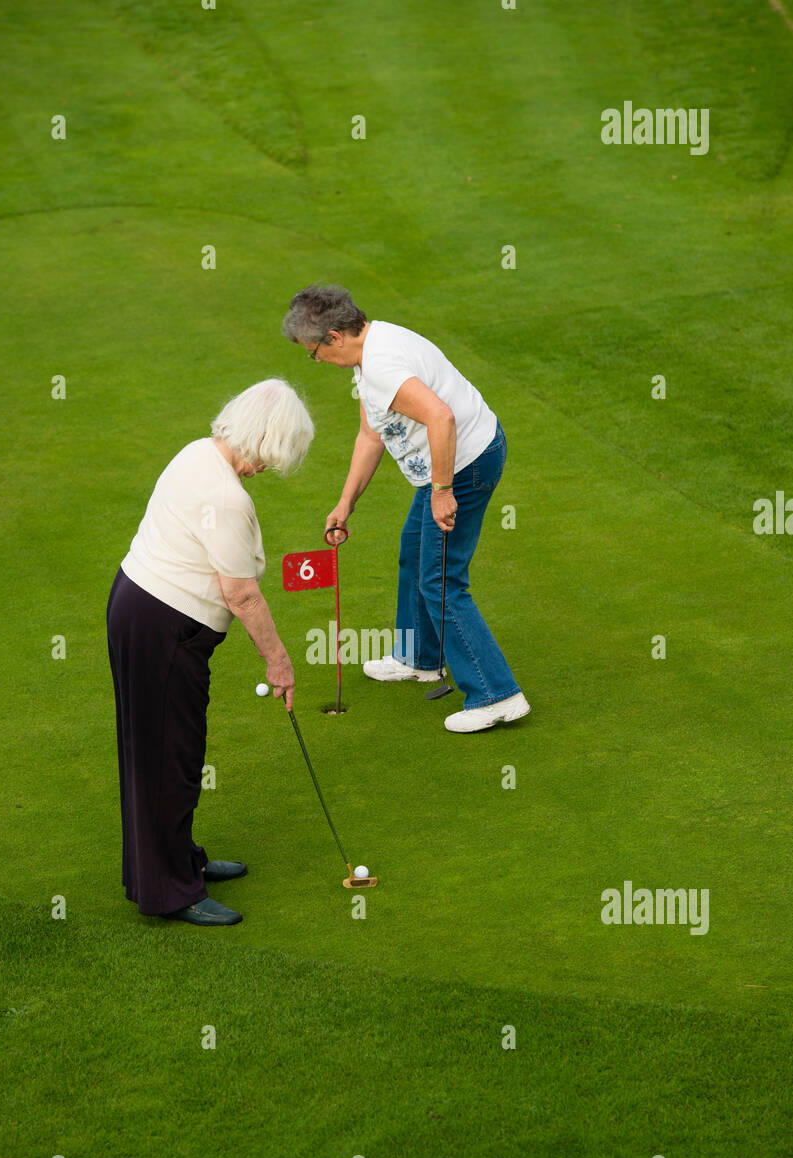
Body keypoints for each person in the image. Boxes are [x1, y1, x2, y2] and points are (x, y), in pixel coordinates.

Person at [106, 379, 313, 925]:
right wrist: (280, 661)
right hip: (162, 627)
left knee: (168, 751)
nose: (269, 467)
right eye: (274, 453)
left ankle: (179, 862)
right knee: (169, 758)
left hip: (140, 608)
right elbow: (240, 593)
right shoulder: (226, 497)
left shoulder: (197, 451)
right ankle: (173, 891)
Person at [282, 285, 530, 733]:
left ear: (335, 337)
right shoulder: (369, 351)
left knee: (441, 579)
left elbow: (441, 417)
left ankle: (496, 694)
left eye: (313, 352)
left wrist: (441, 490)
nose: (315, 360)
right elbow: (371, 435)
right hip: (453, 461)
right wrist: (345, 503)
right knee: (413, 550)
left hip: (465, 463)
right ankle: (420, 658)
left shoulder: (381, 365)